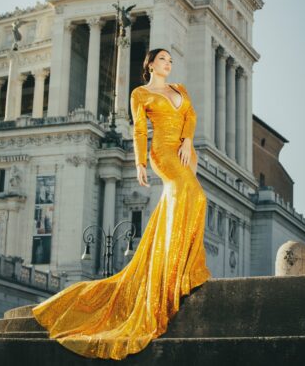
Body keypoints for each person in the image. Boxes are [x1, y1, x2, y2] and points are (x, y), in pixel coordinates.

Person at [32, 48, 212, 360]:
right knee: (190, 196)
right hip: (163, 154)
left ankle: (179, 265)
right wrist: (141, 163)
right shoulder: (140, 93)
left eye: (171, 60)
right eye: (163, 60)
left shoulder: (179, 90)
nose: (168, 64)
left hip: (184, 150)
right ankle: (178, 270)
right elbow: (140, 129)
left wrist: (187, 139)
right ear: (151, 65)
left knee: (196, 199)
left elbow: (191, 115)